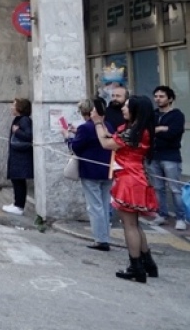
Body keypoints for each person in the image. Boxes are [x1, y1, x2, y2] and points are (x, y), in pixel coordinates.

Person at [92, 95, 159, 282]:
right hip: (137, 177)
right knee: (135, 224)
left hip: (129, 179)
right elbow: (110, 137)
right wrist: (101, 124)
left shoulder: (134, 132)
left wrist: (97, 122)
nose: (123, 108)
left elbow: (106, 143)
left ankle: (135, 267)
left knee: (129, 225)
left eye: (127, 106)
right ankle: (148, 264)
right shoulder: (139, 130)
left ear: (136, 110)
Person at [67, 99, 114, 251]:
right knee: (105, 204)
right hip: (107, 170)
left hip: (90, 171)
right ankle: (105, 236)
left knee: (95, 206)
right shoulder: (109, 126)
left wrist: (67, 137)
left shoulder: (85, 128)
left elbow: (75, 147)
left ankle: (101, 240)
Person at [147, 85, 185, 230]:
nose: (158, 99)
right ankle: (161, 215)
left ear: (170, 99)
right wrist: (162, 129)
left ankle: (181, 218)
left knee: (175, 188)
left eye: (161, 96)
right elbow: (148, 132)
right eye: (156, 96)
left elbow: (174, 133)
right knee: (158, 188)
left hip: (170, 156)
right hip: (154, 155)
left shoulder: (176, 115)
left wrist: (160, 130)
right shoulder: (153, 114)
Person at [3, 98, 34, 216]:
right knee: (16, 179)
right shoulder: (18, 119)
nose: (11, 107)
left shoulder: (25, 120)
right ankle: (16, 203)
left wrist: (17, 131)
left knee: (19, 180)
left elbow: (29, 135)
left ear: (20, 108)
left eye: (14, 105)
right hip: (17, 154)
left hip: (21, 156)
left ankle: (19, 205)